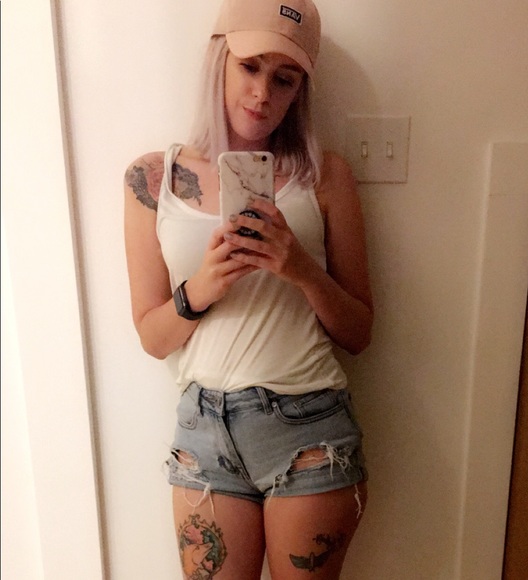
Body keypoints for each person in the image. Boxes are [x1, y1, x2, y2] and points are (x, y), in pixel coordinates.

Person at [123, 0, 373, 577]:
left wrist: (300, 268)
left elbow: (360, 332)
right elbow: (152, 338)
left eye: (285, 79)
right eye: (250, 66)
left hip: (310, 430)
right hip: (203, 435)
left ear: (300, 91)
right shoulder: (153, 179)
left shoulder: (324, 176)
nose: (263, 94)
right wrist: (203, 287)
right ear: (220, 60)